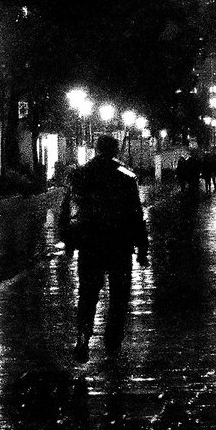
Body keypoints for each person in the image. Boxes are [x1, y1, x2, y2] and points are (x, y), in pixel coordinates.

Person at [57, 133, 149, 362]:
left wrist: (68, 241)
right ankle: (113, 339)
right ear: (116, 151)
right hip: (119, 245)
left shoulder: (80, 175)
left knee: (87, 293)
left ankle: (83, 336)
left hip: (90, 244)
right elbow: (136, 215)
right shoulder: (126, 177)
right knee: (119, 295)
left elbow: (67, 210)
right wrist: (142, 248)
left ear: (97, 149)